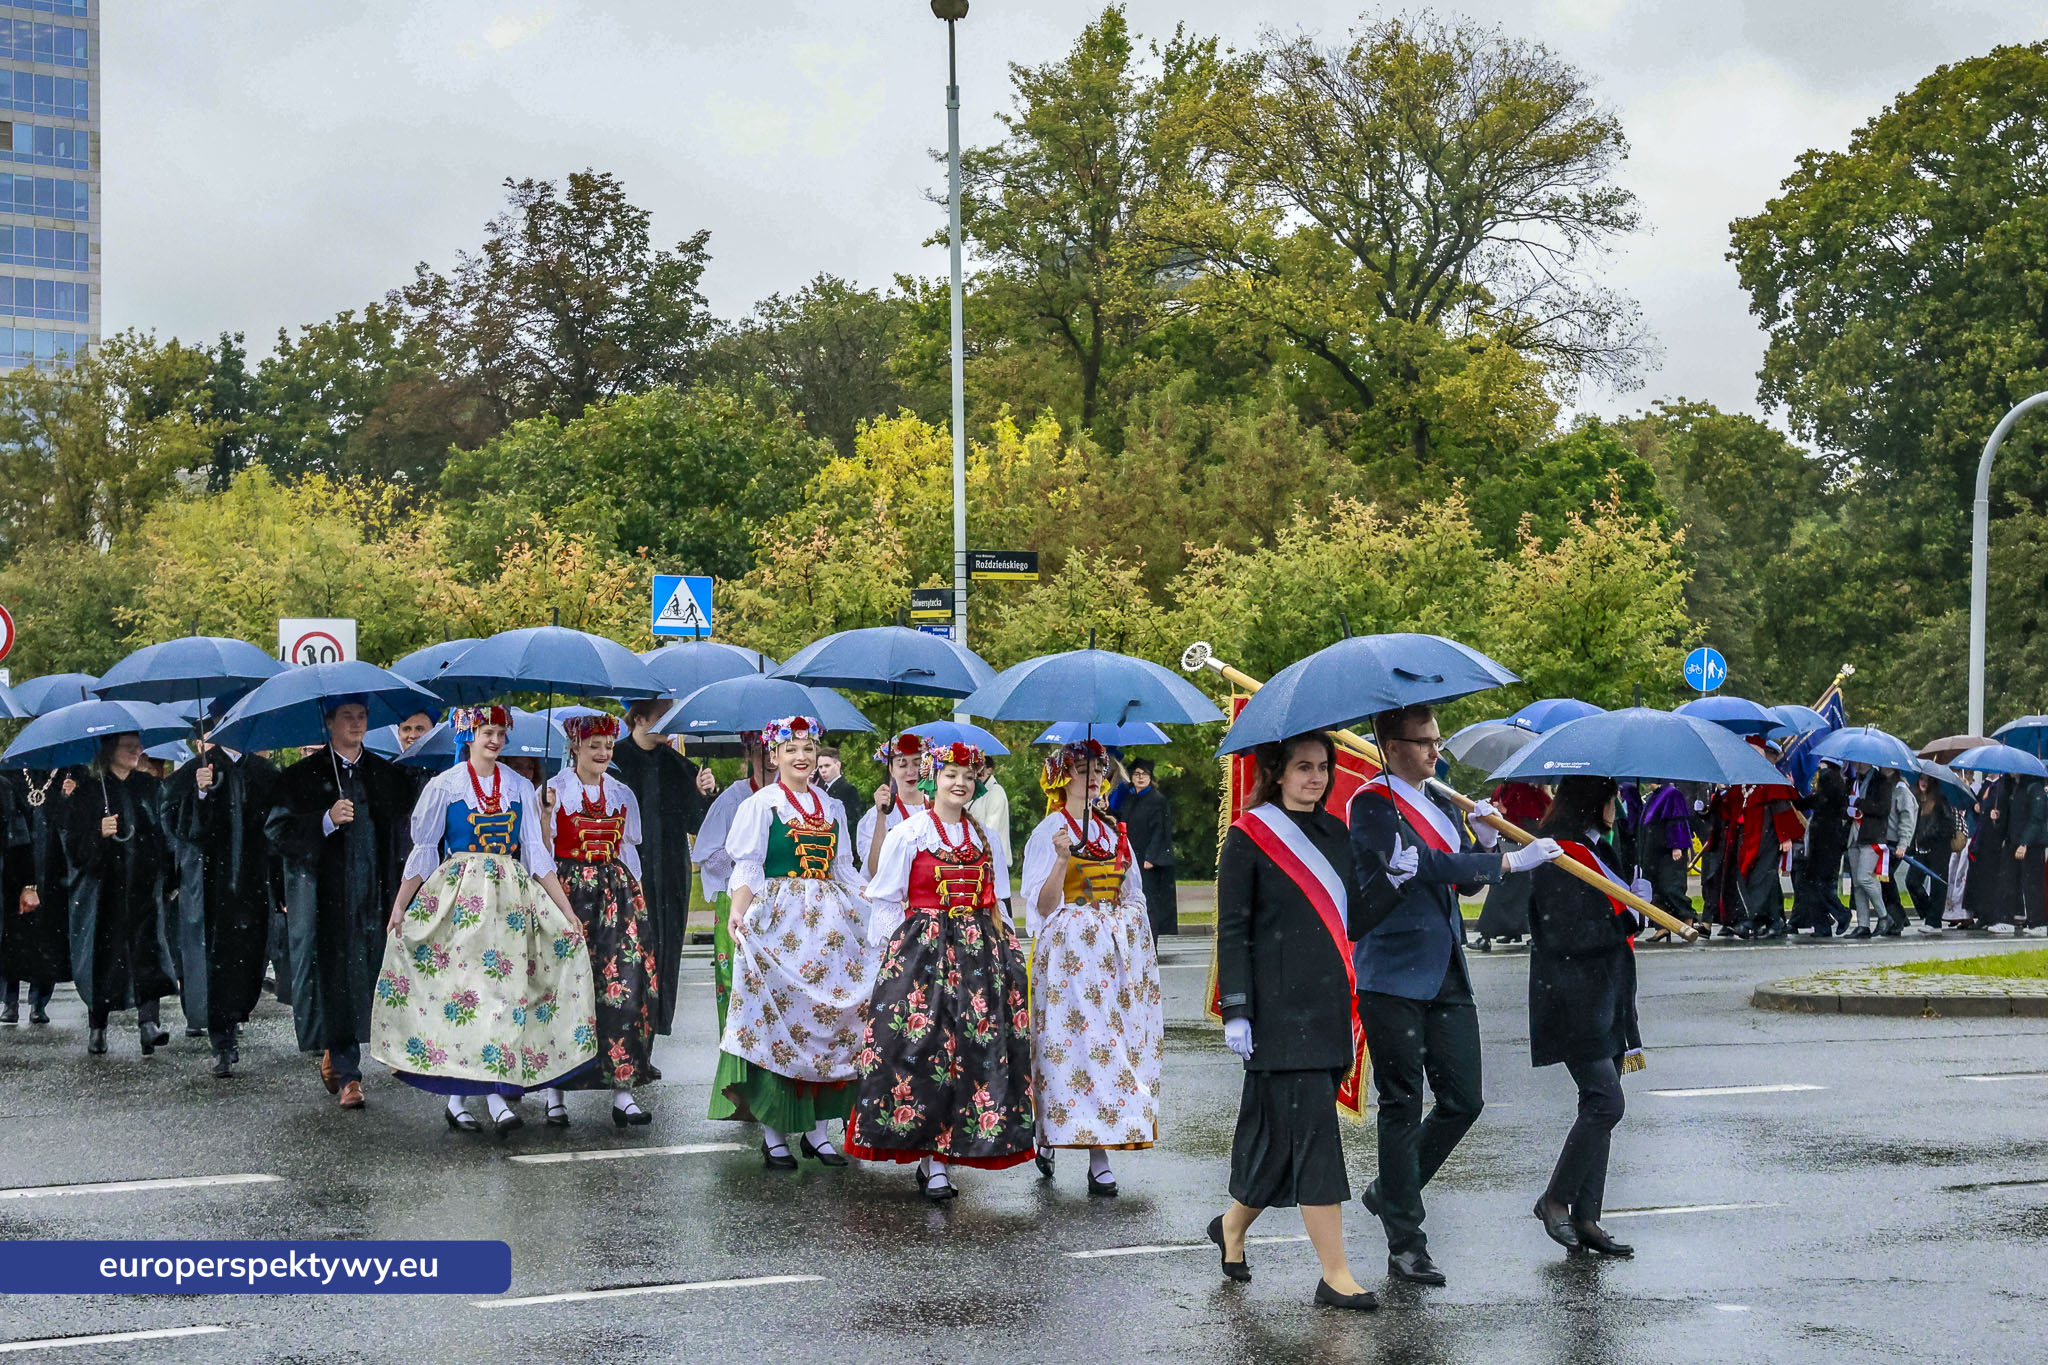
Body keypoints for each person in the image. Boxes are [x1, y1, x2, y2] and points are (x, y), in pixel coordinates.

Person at [1349, 702, 1562, 1285]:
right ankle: (1405, 1241)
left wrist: (1488, 843)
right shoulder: (1371, 802)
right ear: (1391, 747)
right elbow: (1425, 868)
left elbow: (1463, 880)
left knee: (1464, 1099)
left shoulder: (1442, 801)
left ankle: (1391, 1188)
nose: (1435, 752)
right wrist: (1512, 863)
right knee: (1400, 1104)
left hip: (1444, 968)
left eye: (1436, 740)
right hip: (1392, 972)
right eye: (1423, 743)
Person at [1208, 731, 1412, 1311]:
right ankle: (1335, 1273)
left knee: (1278, 1147)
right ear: (1276, 772)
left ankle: (1231, 1227)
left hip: (1327, 1009)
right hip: (1275, 1016)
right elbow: (1233, 930)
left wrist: (1394, 881)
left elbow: (1354, 919)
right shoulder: (1249, 837)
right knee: (1317, 1140)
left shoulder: (1335, 833)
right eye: (1303, 767)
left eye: (1322, 767)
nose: (1316, 778)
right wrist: (1237, 1010)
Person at [370, 705, 599, 1136]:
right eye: (486, 732)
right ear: (468, 737)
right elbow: (423, 852)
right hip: (460, 899)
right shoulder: (446, 786)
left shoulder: (518, 786)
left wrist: (566, 912)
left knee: (503, 995)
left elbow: (535, 855)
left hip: (510, 901)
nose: (494, 740)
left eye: (499, 733)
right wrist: (401, 904)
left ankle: (474, 1099)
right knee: (471, 996)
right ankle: (481, 1099)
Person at [847, 738, 1033, 1201]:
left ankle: (945, 1160)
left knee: (969, 1055)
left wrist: (1007, 952)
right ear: (934, 779)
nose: (960, 784)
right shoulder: (909, 834)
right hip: (923, 955)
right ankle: (928, 1155)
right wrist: (892, 964)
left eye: (969, 777)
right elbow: (888, 901)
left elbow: (997, 902)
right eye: (951, 775)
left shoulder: (981, 838)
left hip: (976, 957)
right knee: (921, 1052)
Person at [713, 715, 874, 1168]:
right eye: (791, 750)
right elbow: (748, 866)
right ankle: (773, 1131)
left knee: (832, 1018)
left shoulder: (833, 807)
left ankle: (819, 1133)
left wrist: (877, 906)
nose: (801, 757)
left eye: (808, 748)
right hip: (781, 919)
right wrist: (740, 910)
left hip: (831, 924)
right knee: (780, 1020)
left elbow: (844, 869)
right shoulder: (761, 806)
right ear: (775, 755)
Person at [1019, 739, 1161, 1195]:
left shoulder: (1113, 831)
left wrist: (1125, 922)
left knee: (1108, 1047)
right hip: (1068, 958)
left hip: (1111, 959)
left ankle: (1099, 1153)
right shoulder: (1049, 832)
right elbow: (1040, 909)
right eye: (1083, 769)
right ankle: (1050, 1132)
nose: (1095, 776)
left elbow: (1134, 893)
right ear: (1062, 776)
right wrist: (1061, 860)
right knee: (1067, 1046)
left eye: (1100, 768)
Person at [268, 700, 414, 1111]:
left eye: (362, 717)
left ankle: (367, 1052)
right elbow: (277, 831)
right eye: (346, 717)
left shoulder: (386, 775)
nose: (356, 724)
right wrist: (324, 819)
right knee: (335, 981)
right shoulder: (301, 778)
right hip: (328, 899)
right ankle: (349, 1072)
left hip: (377, 894)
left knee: (376, 977)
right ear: (329, 722)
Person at [1527, 775, 1648, 1259]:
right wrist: (1628, 917)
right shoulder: (1558, 854)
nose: (1616, 806)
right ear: (1592, 802)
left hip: (1607, 992)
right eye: (1611, 797)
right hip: (1573, 995)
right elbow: (1567, 932)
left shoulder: (1598, 848)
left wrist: (1634, 901)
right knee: (1605, 1103)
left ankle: (1588, 1217)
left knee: (1597, 1106)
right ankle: (1554, 1199)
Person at [541, 713, 655, 1127]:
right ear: (575, 748)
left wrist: (636, 898)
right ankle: (555, 1093)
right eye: (594, 746)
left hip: (616, 896)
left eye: (608, 746)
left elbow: (627, 849)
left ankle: (622, 1091)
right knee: (567, 990)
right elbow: (541, 851)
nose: (603, 753)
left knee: (622, 989)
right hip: (569, 893)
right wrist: (544, 812)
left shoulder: (621, 793)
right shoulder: (555, 792)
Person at [164, 725, 280, 1077]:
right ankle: (222, 1040)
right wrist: (199, 796)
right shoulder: (194, 772)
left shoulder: (263, 773)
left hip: (253, 883)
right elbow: (176, 825)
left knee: (249, 960)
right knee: (214, 960)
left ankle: (235, 1017)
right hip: (211, 884)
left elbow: (279, 827)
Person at [63, 732, 176, 1057]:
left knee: (147, 956)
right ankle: (98, 1026)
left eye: (138, 746)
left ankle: (148, 1024)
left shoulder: (149, 788)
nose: (136, 751)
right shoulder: (88, 794)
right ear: (111, 750)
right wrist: (98, 833)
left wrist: (166, 878)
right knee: (104, 959)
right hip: (105, 893)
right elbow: (75, 849)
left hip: (142, 890)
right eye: (129, 747)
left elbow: (161, 836)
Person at [611, 701, 714, 980]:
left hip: (671, 871)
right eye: (661, 718)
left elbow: (696, 823)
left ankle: (663, 1023)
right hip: (629, 868)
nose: (668, 725)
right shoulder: (614, 761)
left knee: (667, 955)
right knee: (629, 955)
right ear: (640, 718)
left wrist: (702, 793)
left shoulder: (679, 765)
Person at [1, 767, 72, 1026]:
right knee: (12, 935)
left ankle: (39, 1002)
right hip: (16, 864)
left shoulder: (70, 772)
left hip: (54, 867)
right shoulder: (9, 771)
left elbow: (78, 819)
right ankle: (9, 1002)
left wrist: (69, 798)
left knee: (48, 937)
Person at [1473, 780, 1549, 950]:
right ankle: (1497, 934)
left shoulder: (1513, 790)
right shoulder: (1522, 791)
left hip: (1516, 848)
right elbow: (1540, 818)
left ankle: (1491, 935)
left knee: (1507, 892)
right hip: (1518, 848)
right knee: (1518, 893)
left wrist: (1505, 813)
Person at [1119, 757, 1178, 939]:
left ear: (1150, 778)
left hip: (1148, 861)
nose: (1140, 777)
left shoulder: (1157, 800)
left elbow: (1161, 830)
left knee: (1149, 903)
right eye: (1137, 774)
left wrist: (1151, 857)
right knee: (1131, 901)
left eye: (1144, 774)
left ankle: (1151, 944)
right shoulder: (1129, 799)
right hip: (1130, 859)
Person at [1793, 759, 1852, 937]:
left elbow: (1804, 803)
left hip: (1824, 844)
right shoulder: (1834, 788)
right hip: (1826, 843)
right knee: (1818, 884)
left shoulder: (1829, 786)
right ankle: (1822, 925)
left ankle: (1841, 913)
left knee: (1819, 884)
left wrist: (1791, 788)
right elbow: (1803, 803)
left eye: (1822, 766)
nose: (1818, 768)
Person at [856, 733, 929, 874]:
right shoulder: (877, 815)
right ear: (891, 769)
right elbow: (874, 870)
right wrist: (881, 817)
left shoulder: (937, 809)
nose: (910, 771)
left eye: (918, 764)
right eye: (902, 765)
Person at [1632, 779, 1695, 937]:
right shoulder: (1654, 796)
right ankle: (1661, 926)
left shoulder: (1672, 794)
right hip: (1654, 852)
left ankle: (1687, 916)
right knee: (1657, 889)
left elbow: (1678, 820)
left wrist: (1677, 845)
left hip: (1669, 851)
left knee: (1671, 887)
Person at [1846, 763, 1898, 939]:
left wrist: (1861, 804)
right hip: (1853, 835)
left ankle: (1884, 916)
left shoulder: (1881, 782)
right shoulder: (1854, 782)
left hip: (1872, 836)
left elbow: (1883, 809)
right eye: (1856, 762)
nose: (1858, 765)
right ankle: (1863, 924)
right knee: (1857, 885)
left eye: (1861, 762)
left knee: (1864, 877)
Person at [1904, 774, 1952, 933]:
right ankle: (1928, 913)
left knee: (1938, 884)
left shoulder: (1941, 801)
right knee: (1912, 881)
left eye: (1927, 780)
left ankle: (1934, 922)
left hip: (1939, 849)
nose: (1923, 783)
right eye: (1921, 779)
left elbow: (1947, 825)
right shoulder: (1916, 800)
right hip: (1921, 849)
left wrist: (1930, 834)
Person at [2009, 773, 2046, 936]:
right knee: (2029, 882)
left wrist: (2024, 842)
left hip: (2034, 843)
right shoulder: (2022, 787)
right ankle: (2033, 919)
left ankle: (2038, 922)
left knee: (2034, 883)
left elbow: (2036, 819)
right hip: (2026, 840)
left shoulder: (2034, 788)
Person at [817, 746, 862, 818]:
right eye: (820, 767)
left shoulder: (848, 790)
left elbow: (853, 821)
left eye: (827, 766)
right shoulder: (819, 788)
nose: (823, 770)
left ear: (838, 765)